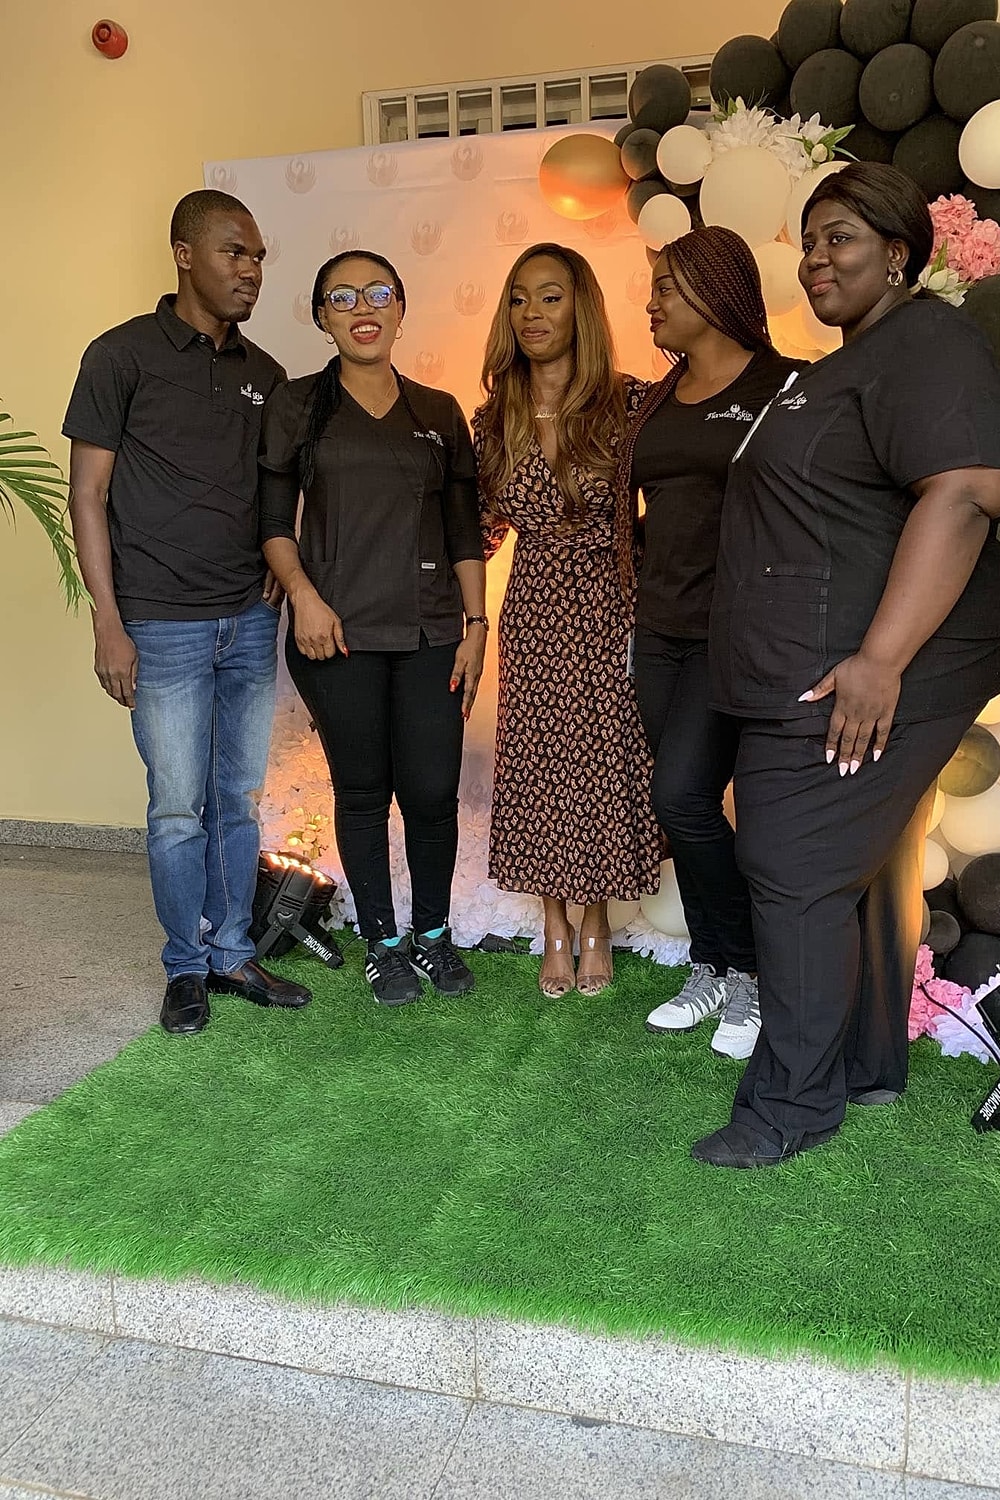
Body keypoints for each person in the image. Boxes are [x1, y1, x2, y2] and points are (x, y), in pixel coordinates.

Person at [694, 162, 1000, 1169]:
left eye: (841, 236)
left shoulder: (926, 341)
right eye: (810, 239)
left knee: (790, 868)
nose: (819, 258)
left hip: (864, 668)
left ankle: (791, 1107)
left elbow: (969, 489)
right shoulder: (844, 363)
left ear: (898, 252)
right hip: (809, 661)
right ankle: (868, 1064)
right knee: (860, 872)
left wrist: (880, 661)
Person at [64, 190, 310, 1035]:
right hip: (158, 624)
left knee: (237, 800)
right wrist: (107, 618)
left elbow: (282, 492)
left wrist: (284, 561)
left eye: (258, 256)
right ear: (184, 253)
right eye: (235, 252)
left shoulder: (265, 376)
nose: (252, 270)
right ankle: (184, 967)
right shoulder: (120, 356)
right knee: (177, 807)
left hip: (246, 619)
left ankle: (233, 950)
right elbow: (87, 494)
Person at [259, 251, 486, 1007]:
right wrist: (304, 598)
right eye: (343, 296)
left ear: (400, 308)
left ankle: (432, 935)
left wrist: (477, 622)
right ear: (321, 315)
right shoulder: (296, 405)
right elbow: (272, 522)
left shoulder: (438, 412)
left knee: (429, 791)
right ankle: (382, 943)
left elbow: (461, 530)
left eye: (379, 293)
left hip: (429, 632)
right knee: (362, 792)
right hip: (336, 635)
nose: (364, 306)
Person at [619, 226, 805, 1059]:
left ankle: (752, 975)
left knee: (682, 799)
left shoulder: (786, 388)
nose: (651, 301)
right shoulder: (657, 397)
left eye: (665, 286)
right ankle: (712, 963)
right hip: (658, 632)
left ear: (713, 293)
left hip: (735, 638)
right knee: (683, 804)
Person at [474, 243, 661, 997]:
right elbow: (482, 528)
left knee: (609, 761)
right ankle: (554, 919)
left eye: (549, 297)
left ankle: (597, 919)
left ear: (578, 306)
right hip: (533, 603)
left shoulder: (633, 403)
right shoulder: (496, 414)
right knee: (539, 765)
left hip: (613, 602)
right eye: (518, 299)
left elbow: (671, 513)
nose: (531, 315)